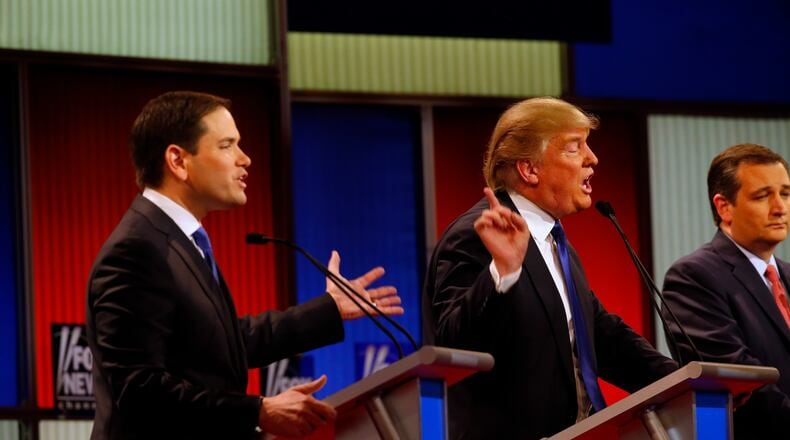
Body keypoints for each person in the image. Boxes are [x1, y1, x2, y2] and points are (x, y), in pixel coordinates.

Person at [86, 91, 403, 439]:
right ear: (178, 161)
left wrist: (329, 310)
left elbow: (227, 341)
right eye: (227, 145)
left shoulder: (178, 240)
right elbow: (139, 389)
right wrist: (258, 410)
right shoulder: (138, 249)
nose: (245, 159)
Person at [422, 97, 677, 439]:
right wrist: (502, 273)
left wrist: (681, 381)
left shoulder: (556, 242)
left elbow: (599, 336)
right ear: (529, 169)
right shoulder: (476, 234)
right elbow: (453, 342)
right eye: (575, 148)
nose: (593, 158)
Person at [662, 143, 790, 438]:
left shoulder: (787, 274)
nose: (779, 207)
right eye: (762, 196)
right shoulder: (694, 276)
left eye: (784, 193)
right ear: (724, 207)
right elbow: (742, 380)